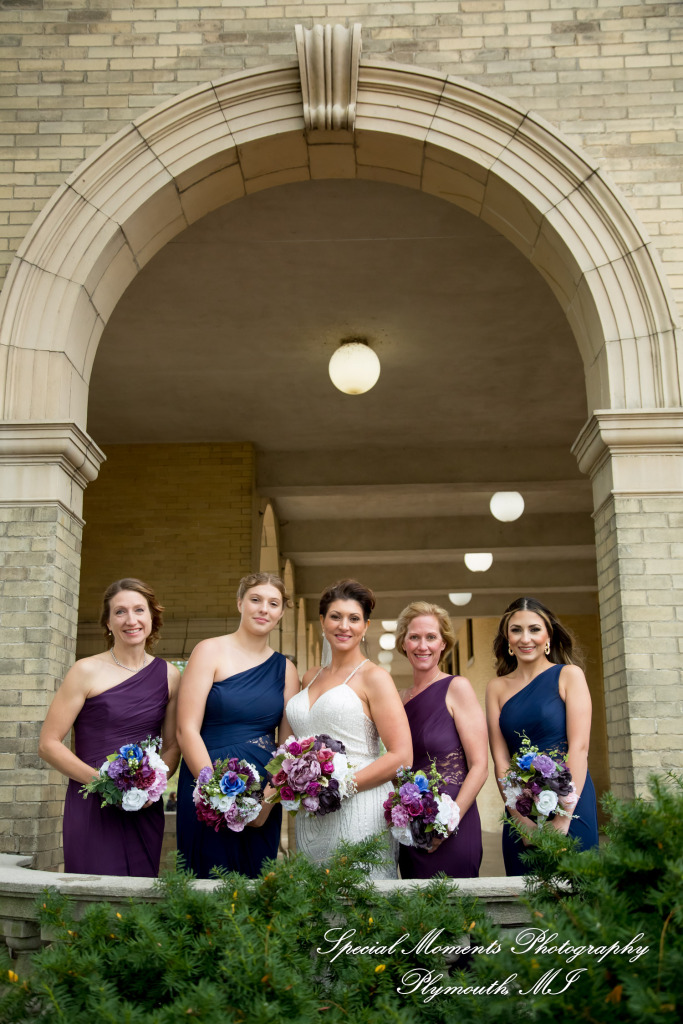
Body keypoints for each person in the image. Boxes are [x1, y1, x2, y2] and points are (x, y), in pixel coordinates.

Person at [38, 578, 181, 877]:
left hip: (144, 808)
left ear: (152, 617)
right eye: (120, 612)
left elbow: (172, 746)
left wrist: (152, 788)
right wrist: (106, 785)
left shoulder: (169, 675)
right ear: (108, 622)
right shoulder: (85, 670)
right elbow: (48, 744)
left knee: (139, 897)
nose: (131, 620)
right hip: (93, 802)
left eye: (139, 610)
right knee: (92, 894)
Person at [280, 579, 413, 879]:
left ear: (365, 626)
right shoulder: (310, 677)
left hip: (360, 805)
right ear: (322, 621)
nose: (344, 626)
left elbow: (402, 755)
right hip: (311, 812)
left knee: (359, 893)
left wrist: (341, 787)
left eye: (354, 618)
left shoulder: (374, 678)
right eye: (335, 616)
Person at [175, 572, 299, 878]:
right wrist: (215, 793)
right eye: (256, 600)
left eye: (273, 603)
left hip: (261, 793)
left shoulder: (286, 669)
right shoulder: (209, 651)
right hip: (205, 786)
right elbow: (185, 729)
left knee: (256, 885)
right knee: (207, 880)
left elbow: (287, 748)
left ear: (281, 613)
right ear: (240, 603)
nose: (264, 609)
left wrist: (266, 803)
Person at [486, 596, 599, 875]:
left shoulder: (569, 675)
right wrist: (520, 820)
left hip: (572, 802)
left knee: (576, 889)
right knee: (525, 895)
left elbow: (580, 747)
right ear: (507, 639)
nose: (525, 638)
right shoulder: (496, 688)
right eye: (516, 630)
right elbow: (501, 760)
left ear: (548, 636)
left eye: (534, 629)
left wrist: (563, 818)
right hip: (520, 804)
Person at [394, 601, 487, 879]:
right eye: (414, 637)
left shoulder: (457, 688)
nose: (422, 646)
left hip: (455, 823)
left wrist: (447, 824)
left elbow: (480, 766)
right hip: (411, 828)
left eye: (431, 637)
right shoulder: (397, 699)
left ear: (443, 643)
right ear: (404, 643)